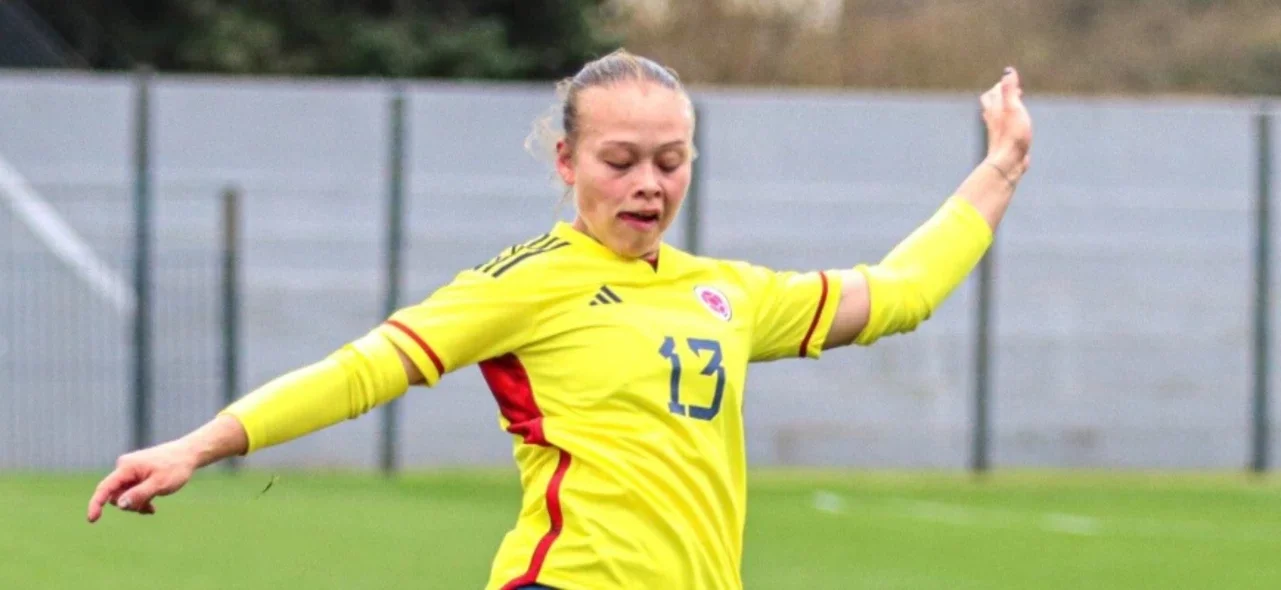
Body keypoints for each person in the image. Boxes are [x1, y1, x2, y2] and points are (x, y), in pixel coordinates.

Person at [86, 49, 1032, 590]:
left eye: (670, 160)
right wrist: (201, 445)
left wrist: (998, 169)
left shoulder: (727, 294)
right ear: (566, 162)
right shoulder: (526, 283)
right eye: (620, 160)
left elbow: (898, 293)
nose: (648, 183)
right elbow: (363, 369)